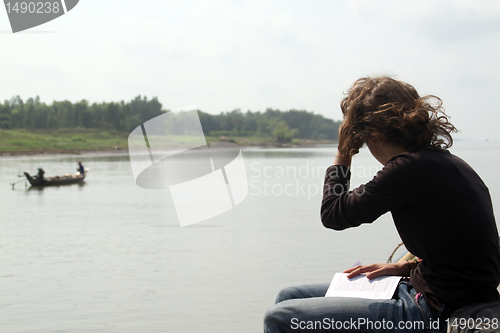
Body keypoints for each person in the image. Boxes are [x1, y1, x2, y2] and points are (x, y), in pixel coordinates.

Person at [264, 76, 500, 332]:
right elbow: (464, 254)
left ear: (372, 136)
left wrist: (343, 152)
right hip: (424, 288)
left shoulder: (408, 168)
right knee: (289, 296)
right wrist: (407, 267)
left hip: (436, 309)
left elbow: (332, 214)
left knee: (279, 318)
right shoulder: (445, 162)